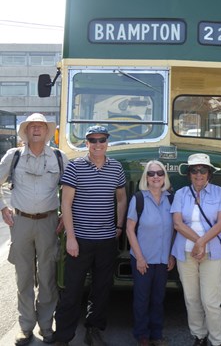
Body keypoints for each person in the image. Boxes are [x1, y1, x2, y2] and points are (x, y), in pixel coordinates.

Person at [54, 125, 127, 346]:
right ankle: (63, 336)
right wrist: (72, 238)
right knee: (72, 289)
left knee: (102, 288)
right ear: (87, 144)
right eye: (93, 140)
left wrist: (118, 227)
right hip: (80, 240)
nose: (97, 144)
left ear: (107, 142)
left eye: (101, 140)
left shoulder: (116, 168)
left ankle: (94, 329)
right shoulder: (75, 167)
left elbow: (121, 198)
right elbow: (66, 203)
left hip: (106, 239)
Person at [0, 113, 68, 346]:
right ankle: (25, 326)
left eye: (40, 126)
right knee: (24, 277)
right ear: (26, 132)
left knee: (48, 276)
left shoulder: (60, 157)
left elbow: (71, 190)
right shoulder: (14, 156)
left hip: (50, 223)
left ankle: (47, 326)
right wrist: (3, 208)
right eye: (32, 127)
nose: (36, 129)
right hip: (21, 223)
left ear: (47, 132)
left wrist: (66, 218)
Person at [171, 153, 221, 346]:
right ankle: (199, 336)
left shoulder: (219, 193)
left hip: (212, 253)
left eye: (203, 170)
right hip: (186, 253)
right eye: (194, 170)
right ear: (189, 174)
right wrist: (199, 242)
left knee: (211, 301)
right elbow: (178, 224)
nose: (199, 174)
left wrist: (203, 243)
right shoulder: (181, 194)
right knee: (191, 298)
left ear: (209, 173)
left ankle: (217, 340)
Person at [126, 160, 175, 346]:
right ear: (146, 177)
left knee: (158, 299)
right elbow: (130, 229)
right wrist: (139, 257)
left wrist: (171, 255)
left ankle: (156, 334)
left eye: (160, 173)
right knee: (141, 299)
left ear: (165, 177)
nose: (156, 177)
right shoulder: (138, 199)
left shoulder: (171, 199)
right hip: (143, 259)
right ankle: (142, 336)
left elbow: (175, 229)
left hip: (163, 259)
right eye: (151, 173)